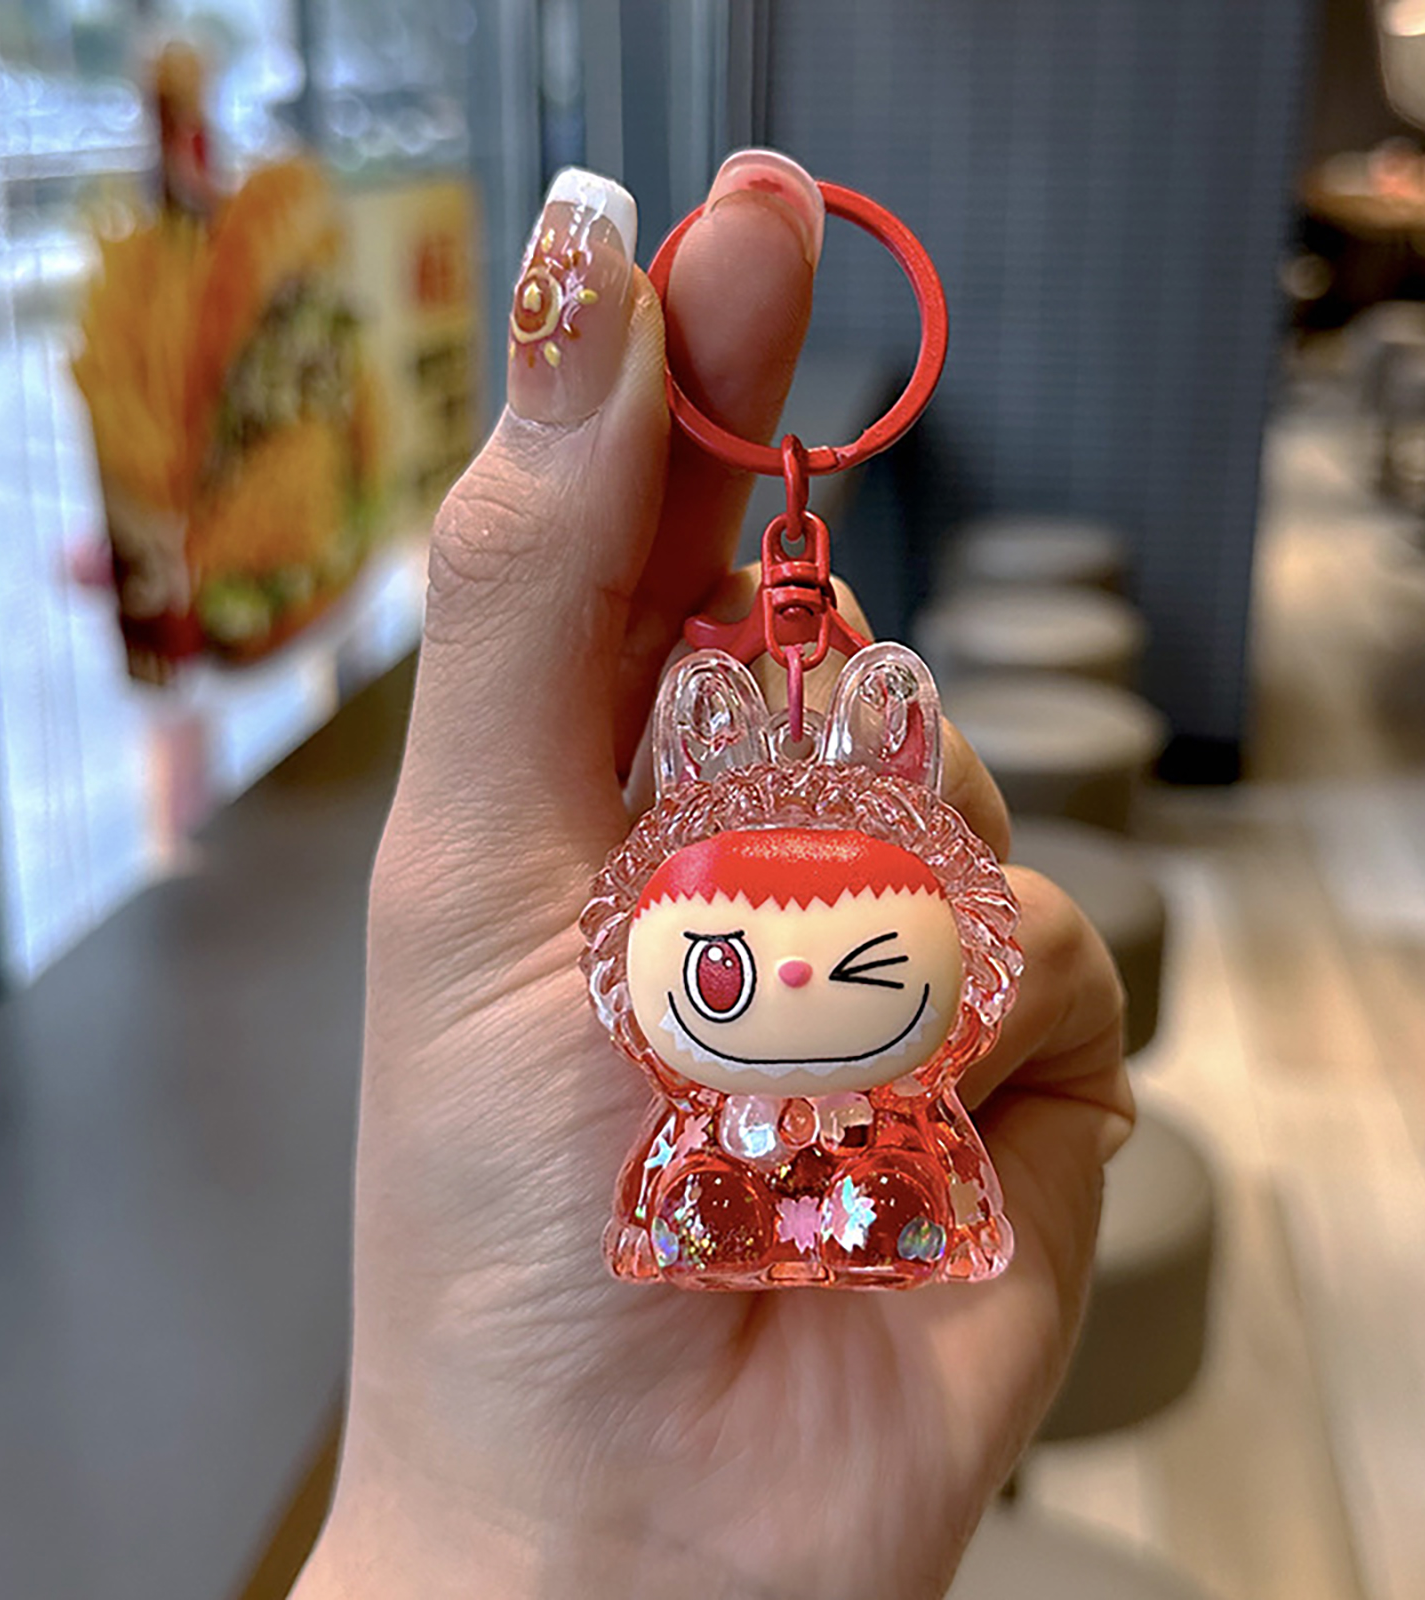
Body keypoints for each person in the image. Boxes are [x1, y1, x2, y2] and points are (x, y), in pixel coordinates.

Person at [288, 150, 1132, 1600]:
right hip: (697, 1213)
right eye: (734, 968)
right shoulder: (644, 1087)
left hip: (886, 1202)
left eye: (847, 961)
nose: (791, 975)